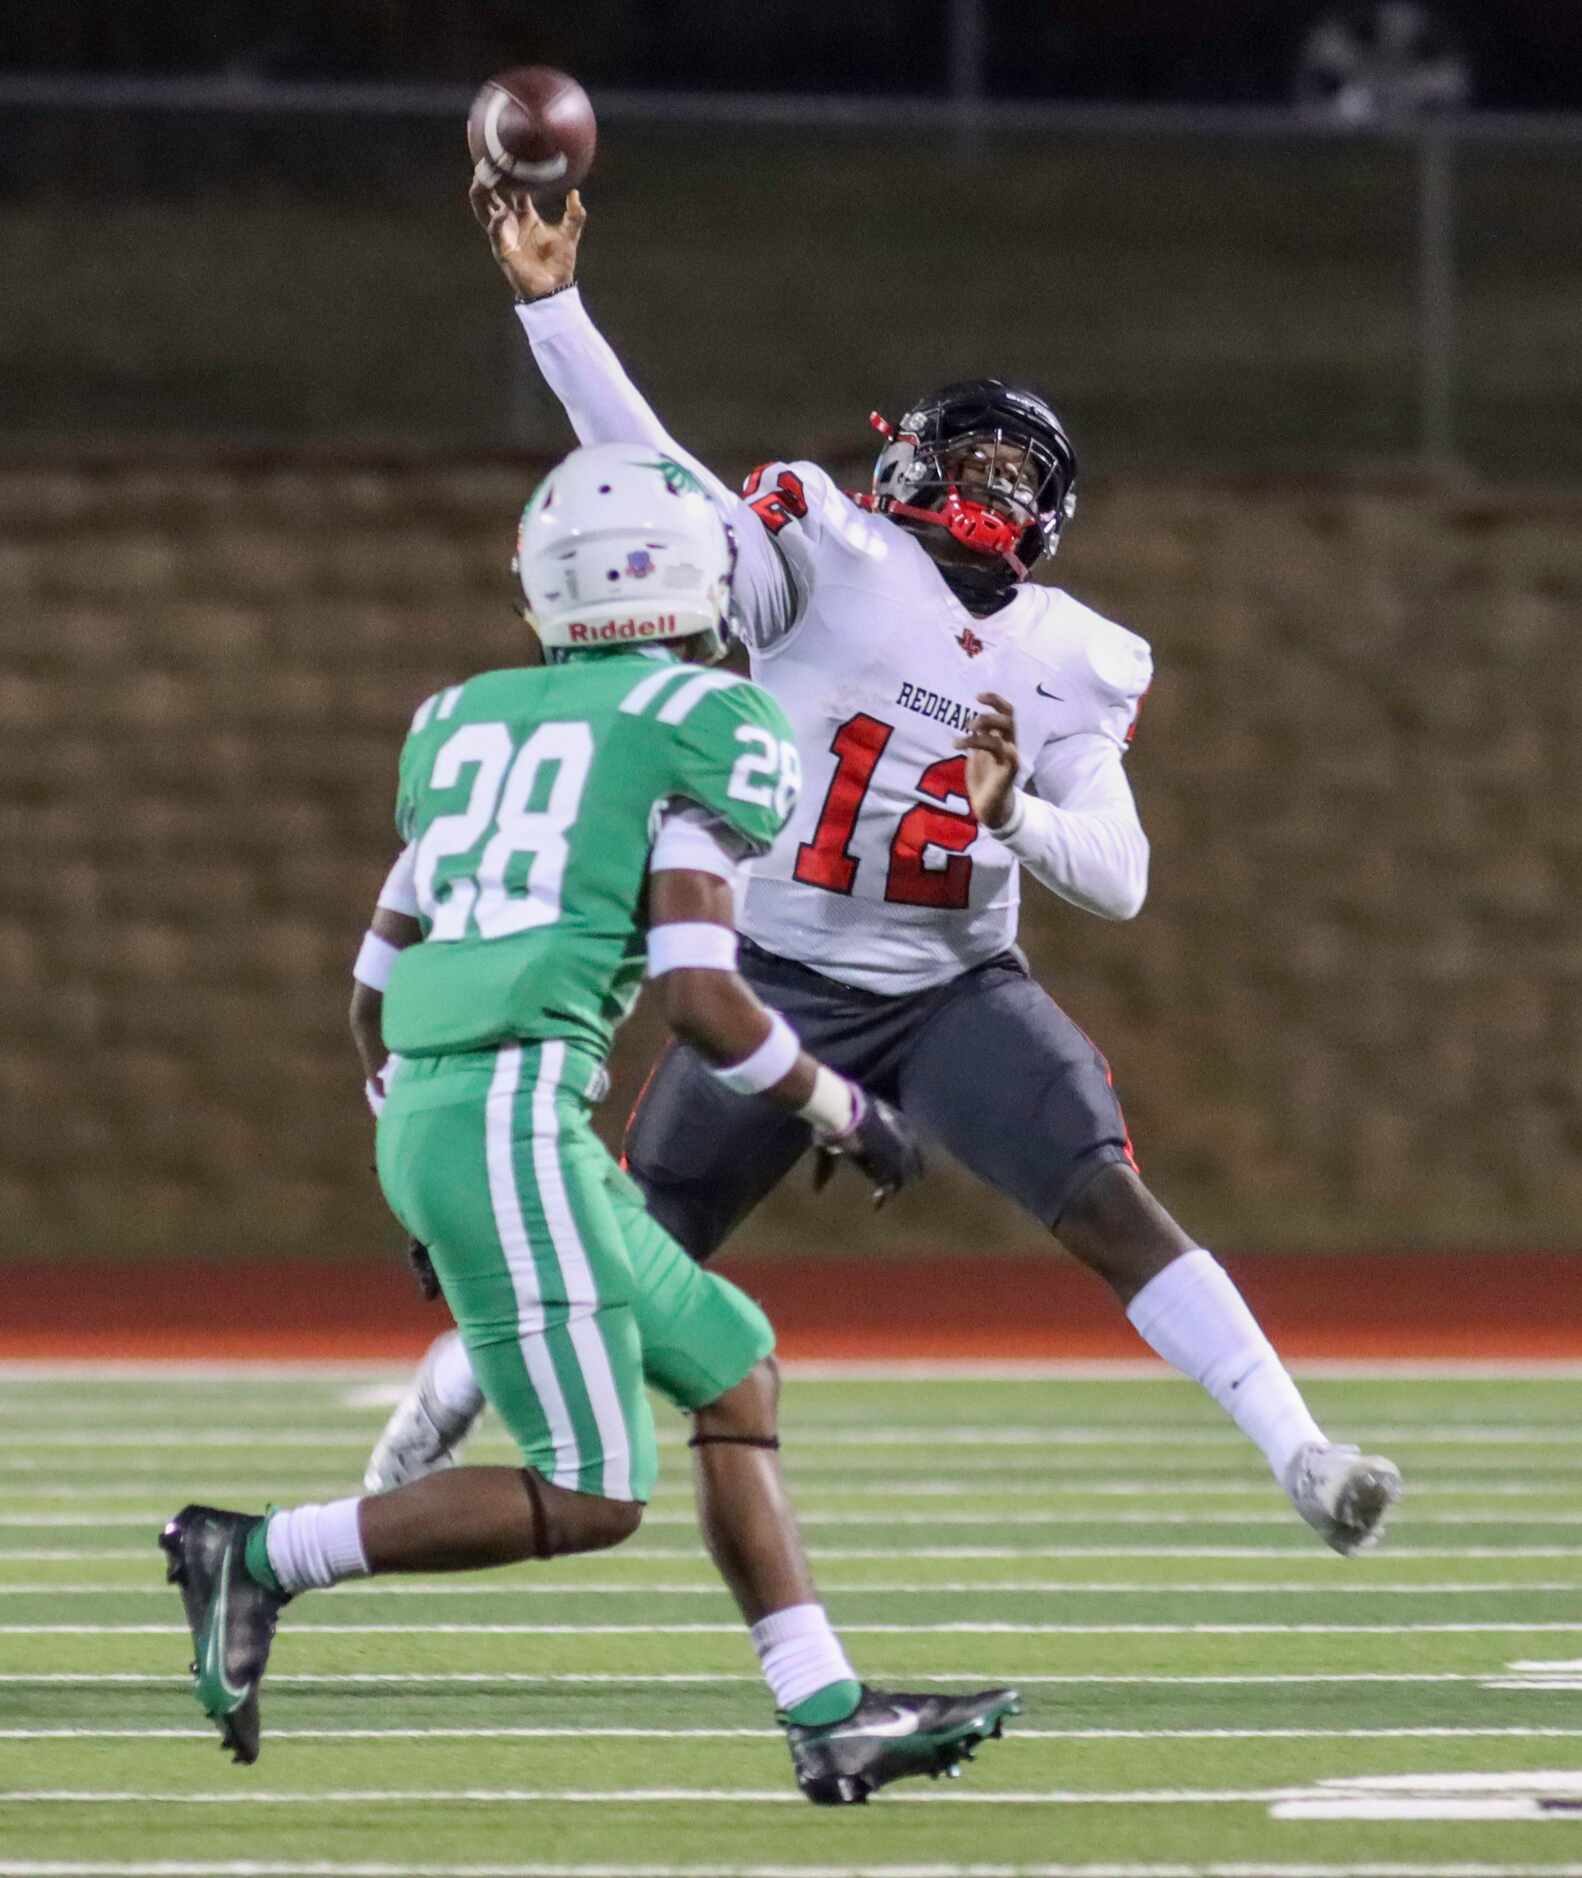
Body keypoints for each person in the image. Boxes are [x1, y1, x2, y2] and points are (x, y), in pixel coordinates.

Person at [367, 183, 1402, 1560]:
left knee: (1104, 1196)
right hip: (770, 974)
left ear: (1054, 514)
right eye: (971, 460)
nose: (993, 486)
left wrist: (1013, 817)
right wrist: (550, 308)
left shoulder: (1080, 657)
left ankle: (1303, 1454)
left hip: (951, 985)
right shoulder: (817, 550)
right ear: (904, 465)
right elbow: (655, 470)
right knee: (617, 1240)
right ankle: (412, 1435)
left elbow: (1122, 876)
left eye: (1019, 475)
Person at [160, 442, 1019, 1804]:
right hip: (509, 1114)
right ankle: (256, 1553)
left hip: (462, 1111)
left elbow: (373, 984)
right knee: (588, 1493)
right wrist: (845, 1109)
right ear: (694, 577)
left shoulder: (461, 722)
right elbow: (697, 993)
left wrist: (420, 1159)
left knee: (732, 1366)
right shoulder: (708, 721)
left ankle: (829, 1713)